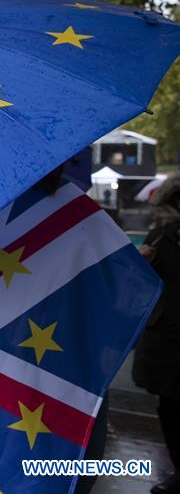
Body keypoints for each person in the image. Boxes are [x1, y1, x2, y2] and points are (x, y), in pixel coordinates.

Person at [133, 173, 180, 494]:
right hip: (169, 343)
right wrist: (142, 263)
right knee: (171, 408)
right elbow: (141, 287)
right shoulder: (161, 237)